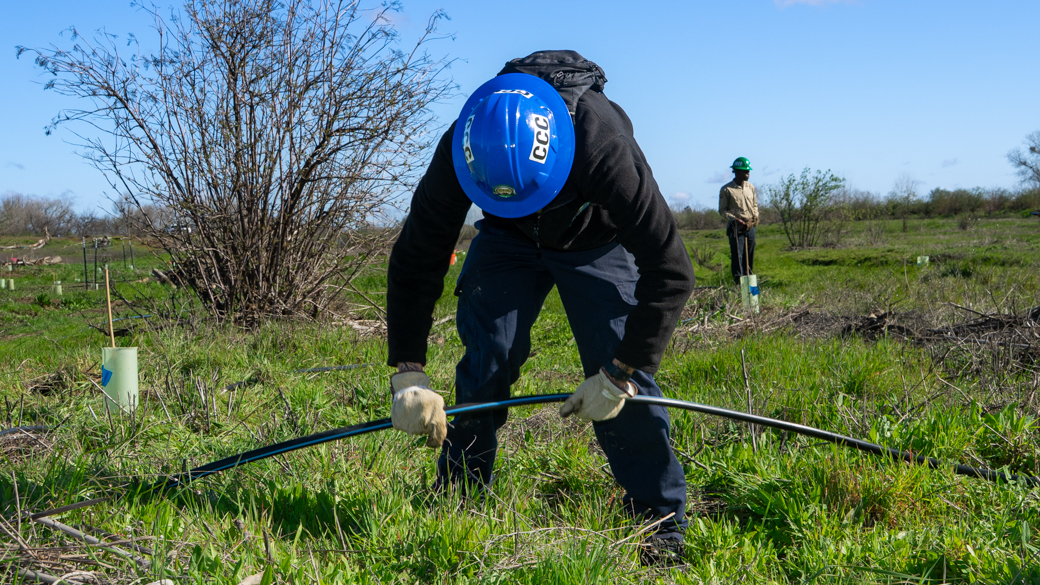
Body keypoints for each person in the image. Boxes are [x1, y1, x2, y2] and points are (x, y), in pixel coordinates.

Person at [385, 50, 695, 566]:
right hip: (506, 239)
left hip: (594, 240)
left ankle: (660, 527)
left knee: (618, 362)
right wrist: (408, 372)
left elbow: (672, 271)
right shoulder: (463, 142)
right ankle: (458, 498)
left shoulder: (604, 143)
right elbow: (416, 257)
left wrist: (620, 372)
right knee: (488, 355)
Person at [718, 157, 759, 285]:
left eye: (749, 171)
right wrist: (734, 219)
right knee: (738, 259)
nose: (748, 173)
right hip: (737, 229)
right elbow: (722, 210)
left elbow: (755, 205)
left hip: (750, 227)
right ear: (737, 172)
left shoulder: (750, 187)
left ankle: (752, 293)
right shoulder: (726, 189)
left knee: (749, 260)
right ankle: (739, 289)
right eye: (745, 171)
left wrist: (755, 217)